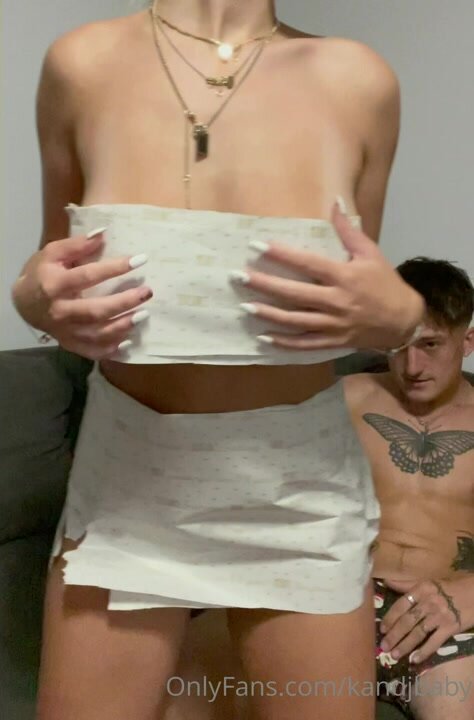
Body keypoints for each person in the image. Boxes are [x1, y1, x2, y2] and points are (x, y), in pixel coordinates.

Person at [11, 1, 426, 718]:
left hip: (299, 492)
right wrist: (30, 297)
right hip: (130, 485)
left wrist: (403, 318)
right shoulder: (82, 63)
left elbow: (364, 291)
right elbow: (54, 268)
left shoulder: (360, 80)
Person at [344, 257, 474, 719]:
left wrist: (469, 596)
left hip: (441, 616)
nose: (412, 366)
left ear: (467, 342)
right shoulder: (344, 397)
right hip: (342, 602)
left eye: (430, 345)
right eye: (398, 346)